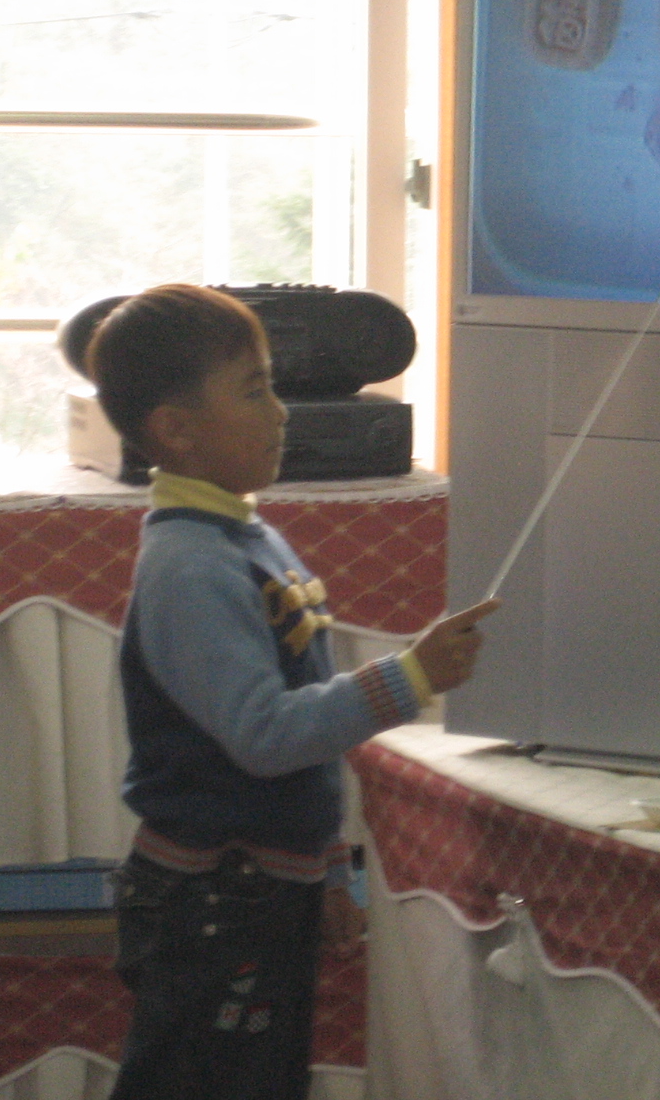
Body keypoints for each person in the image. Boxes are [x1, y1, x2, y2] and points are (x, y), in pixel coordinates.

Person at [85, 283, 497, 1100]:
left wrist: (326, 867)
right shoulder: (191, 568)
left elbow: (303, 731)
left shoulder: (248, 537)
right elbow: (267, 735)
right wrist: (411, 676)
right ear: (176, 429)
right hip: (211, 903)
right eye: (253, 391)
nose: (280, 414)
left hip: (263, 892)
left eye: (272, 386)